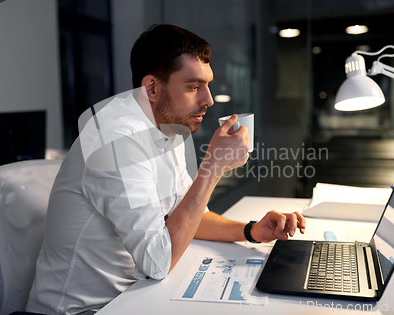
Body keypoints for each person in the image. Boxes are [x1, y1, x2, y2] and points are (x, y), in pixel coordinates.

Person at [26, 24, 305, 314]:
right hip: (81, 310)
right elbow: (157, 263)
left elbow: (187, 213)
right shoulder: (117, 141)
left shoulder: (166, 129)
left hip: (132, 296)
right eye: (194, 86)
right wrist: (212, 168)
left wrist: (250, 231)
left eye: (207, 85)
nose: (208, 99)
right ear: (152, 88)